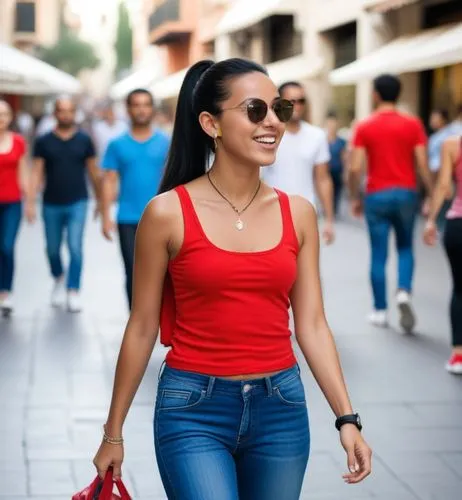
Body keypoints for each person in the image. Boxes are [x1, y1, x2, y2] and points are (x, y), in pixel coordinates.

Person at [93, 58, 371, 499]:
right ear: (211, 123)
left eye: (279, 109)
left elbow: (313, 324)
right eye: (255, 110)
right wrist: (113, 433)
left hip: (281, 408)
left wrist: (347, 418)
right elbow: (143, 325)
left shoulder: (298, 213)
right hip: (192, 410)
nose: (273, 122)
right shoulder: (166, 213)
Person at [349, 74, 433, 332]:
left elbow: (355, 167)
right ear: (398, 94)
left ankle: (380, 310)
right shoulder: (413, 124)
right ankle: (404, 291)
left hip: (377, 194)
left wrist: (355, 196)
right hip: (406, 193)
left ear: (375, 94)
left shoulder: (365, 126)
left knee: (378, 253)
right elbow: (422, 164)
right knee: (406, 246)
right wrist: (430, 194)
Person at [29, 97, 100, 313]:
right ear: (55, 114)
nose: (66, 115)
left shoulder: (84, 140)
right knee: (52, 249)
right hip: (51, 202)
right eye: (62, 111)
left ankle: (73, 290)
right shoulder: (43, 141)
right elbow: (36, 172)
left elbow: (94, 172)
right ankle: (59, 277)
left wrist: (101, 202)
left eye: (70, 111)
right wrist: (30, 202)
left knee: (75, 247)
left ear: (75, 113)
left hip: (78, 201)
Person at [101, 89, 170, 309]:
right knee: (133, 269)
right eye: (136, 105)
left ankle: (159, 315)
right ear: (128, 109)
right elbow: (109, 181)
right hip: (128, 218)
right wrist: (105, 216)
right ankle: (137, 318)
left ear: (152, 109)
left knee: (162, 270)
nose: (141, 109)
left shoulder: (166, 142)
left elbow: (175, 179)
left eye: (146, 105)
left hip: (161, 218)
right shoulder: (117, 144)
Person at [262, 81, 335, 244]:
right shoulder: (266, 133)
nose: (297, 106)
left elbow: (323, 178)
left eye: (301, 101)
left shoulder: (317, 136)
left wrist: (329, 220)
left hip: (306, 216)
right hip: (271, 216)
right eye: (291, 101)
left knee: (307, 269)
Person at [423, 135, 462, 374]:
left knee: (460, 289)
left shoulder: (452, 145)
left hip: (458, 224)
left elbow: (444, 186)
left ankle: (458, 354)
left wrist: (430, 221)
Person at [0, 101, 32, 315]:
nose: (1, 118)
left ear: (11, 117)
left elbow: (24, 172)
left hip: (12, 202)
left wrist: (29, 202)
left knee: (7, 247)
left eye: (4, 114)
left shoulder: (19, 141)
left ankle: (5, 291)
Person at [428, 109, 452, 231]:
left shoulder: (448, 138)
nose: (432, 121)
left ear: (443, 119)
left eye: (435, 118)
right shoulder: (435, 137)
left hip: (442, 179)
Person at [326, 111, 347, 216]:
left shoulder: (341, 141)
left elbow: (344, 157)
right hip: (327, 171)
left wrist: (345, 173)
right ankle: (328, 207)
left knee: (337, 191)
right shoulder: (323, 140)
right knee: (328, 190)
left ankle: (334, 209)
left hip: (337, 171)